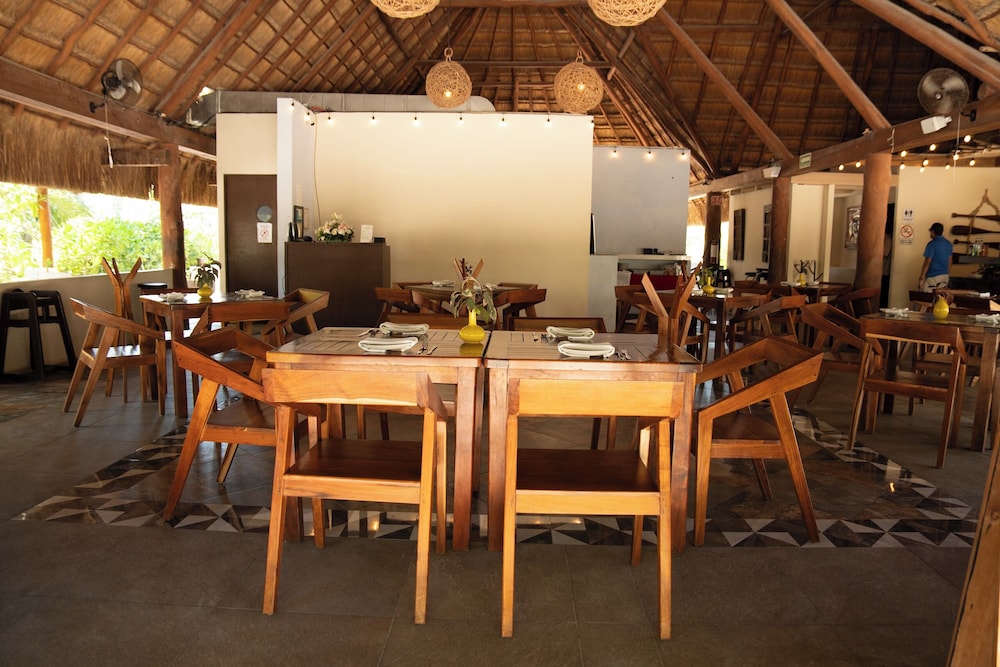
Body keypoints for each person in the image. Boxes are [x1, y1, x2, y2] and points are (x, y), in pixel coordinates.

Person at [918, 222, 952, 292]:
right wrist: (947, 273)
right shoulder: (948, 244)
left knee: (929, 297)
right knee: (941, 296)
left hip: (933, 277)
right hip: (945, 276)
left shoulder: (932, 244)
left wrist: (922, 278)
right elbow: (950, 260)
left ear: (933, 232)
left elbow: (928, 262)